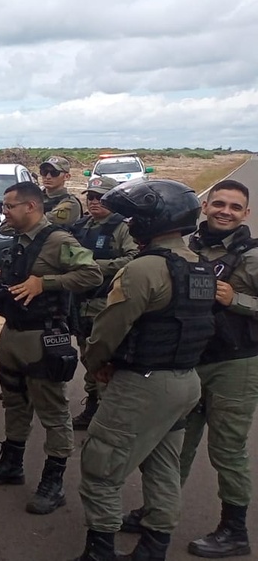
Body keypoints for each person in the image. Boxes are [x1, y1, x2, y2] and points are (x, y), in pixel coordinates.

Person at [73, 179, 215, 561]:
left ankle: (100, 551)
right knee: (163, 464)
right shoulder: (200, 267)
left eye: (137, 216)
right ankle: (154, 548)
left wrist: (95, 363)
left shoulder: (143, 269)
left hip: (143, 383)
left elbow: (107, 330)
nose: (131, 222)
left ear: (156, 219)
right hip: (185, 381)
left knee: (101, 466)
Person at [129, 178, 258, 558]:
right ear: (205, 206)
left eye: (235, 207)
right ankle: (157, 513)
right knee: (174, 444)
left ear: (246, 214)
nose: (225, 211)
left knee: (228, 450)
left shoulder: (252, 256)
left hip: (236, 363)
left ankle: (234, 529)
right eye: (219, 203)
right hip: (189, 360)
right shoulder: (186, 248)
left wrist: (237, 300)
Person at [0, 182, 102, 516]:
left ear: (31, 207)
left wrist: (45, 284)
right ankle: (11, 464)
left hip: (44, 337)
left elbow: (92, 273)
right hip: (13, 333)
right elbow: (30, 271)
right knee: (14, 400)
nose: (5, 211)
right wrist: (4, 275)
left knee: (53, 410)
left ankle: (53, 481)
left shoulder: (59, 240)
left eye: (10, 206)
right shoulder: (20, 241)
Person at [68, 177, 138, 431]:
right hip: (79, 304)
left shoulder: (123, 228)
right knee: (87, 357)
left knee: (105, 360)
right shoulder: (80, 226)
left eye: (101, 197)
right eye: (91, 197)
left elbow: (134, 258)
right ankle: (93, 406)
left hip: (105, 303)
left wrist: (94, 266)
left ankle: (110, 419)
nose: (94, 201)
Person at [38, 156, 85, 227]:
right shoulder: (37, 196)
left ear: (66, 176)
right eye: (44, 172)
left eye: (54, 173)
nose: (48, 177)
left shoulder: (70, 203)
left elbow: (40, 223)